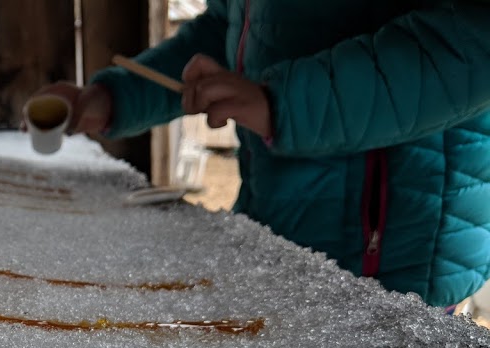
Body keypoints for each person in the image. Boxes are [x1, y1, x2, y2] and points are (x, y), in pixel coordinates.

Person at [38, 0, 490, 308]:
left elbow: (469, 41)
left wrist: (282, 104)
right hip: (281, 221)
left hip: (395, 254)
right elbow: (228, 30)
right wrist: (116, 97)